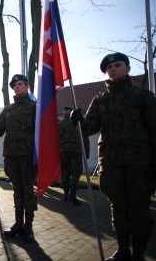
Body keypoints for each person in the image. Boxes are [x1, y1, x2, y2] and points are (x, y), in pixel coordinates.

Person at [70, 52, 156, 261]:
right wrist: (78, 120)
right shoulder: (100, 100)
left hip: (139, 164)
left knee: (139, 209)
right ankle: (123, 250)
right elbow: (90, 127)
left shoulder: (142, 96)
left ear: (127, 68)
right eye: (109, 68)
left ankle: (139, 252)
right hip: (111, 163)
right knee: (117, 208)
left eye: (117, 65)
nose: (113, 69)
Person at [0, 74, 37, 242]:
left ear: (27, 87)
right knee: (17, 191)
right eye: (14, 85)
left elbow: (45, 130)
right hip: (11, 156)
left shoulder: (35, 107)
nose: (17, 87)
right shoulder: (8, 110)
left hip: (28, 156)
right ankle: (18, 224)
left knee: (27, 191)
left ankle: (29, 226)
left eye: (20, 84)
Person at [58, 105, 90, 205]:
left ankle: (66, 194)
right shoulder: (77, 123)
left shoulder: (60, 124)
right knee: (75, 173)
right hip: (76, 150)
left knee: (66, 173)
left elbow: (56, 139)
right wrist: (86, 152)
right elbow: (85, 138)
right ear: (72, 112)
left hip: (64, 151)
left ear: (63, 112)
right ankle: (73, 194)